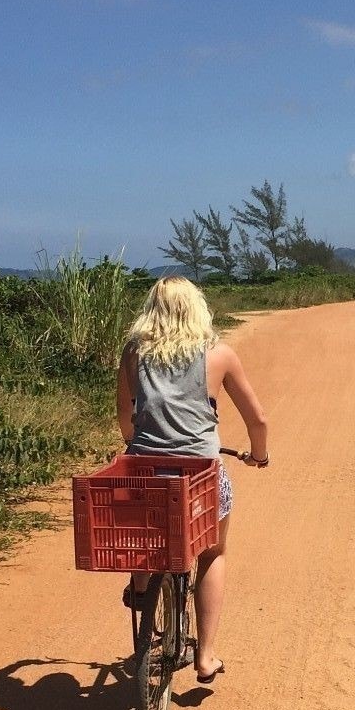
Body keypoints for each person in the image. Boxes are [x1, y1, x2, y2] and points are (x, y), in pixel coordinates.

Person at [116, 275, 269, 685]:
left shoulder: (133, 353)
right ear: (197, 309)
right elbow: (258, 419)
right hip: (199, 475)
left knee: (145, 536)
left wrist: (142, 448)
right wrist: (259, 454)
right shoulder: (218, 354)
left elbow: (125, 420)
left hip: (145, 474)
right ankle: (205, 656)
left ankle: (143, 589)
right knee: (211, 554)